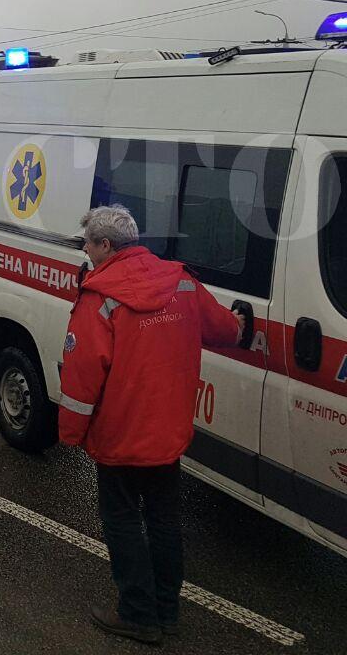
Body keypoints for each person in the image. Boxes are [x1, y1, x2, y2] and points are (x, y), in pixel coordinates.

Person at [60, 205, 243, 645]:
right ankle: (167, 610)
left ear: (106, 246)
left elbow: (81, 378)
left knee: (122, 521)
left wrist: (70, 433)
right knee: (164, 521)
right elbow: (224, 329)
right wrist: (240, 327)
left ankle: (138, 614)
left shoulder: (99, 296)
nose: (84, 251)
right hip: (167, 435)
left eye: (88, 243)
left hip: (120, 437)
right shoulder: (181, 282)